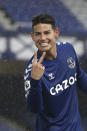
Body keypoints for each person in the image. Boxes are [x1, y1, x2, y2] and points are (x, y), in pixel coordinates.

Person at [24, 14, 87, 131]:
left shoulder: (68, 49)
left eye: (47, 32)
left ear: (56, 33)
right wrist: (35, 81)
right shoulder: (32, 70)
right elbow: (34, 108)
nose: (42, 38)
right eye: (38, 34)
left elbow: (80, 76)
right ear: (32, 36)